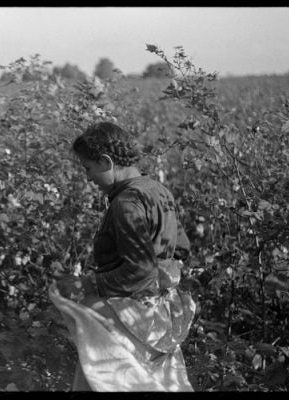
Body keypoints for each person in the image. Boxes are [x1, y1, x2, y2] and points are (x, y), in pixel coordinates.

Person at [54, 121, 195, 391]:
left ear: (106, 161)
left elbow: (139, 271)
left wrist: (87, 284)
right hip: (157, 312)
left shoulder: (126, 204)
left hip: (128, 316)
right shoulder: (157, 190)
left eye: (88, 168)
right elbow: (181, 247)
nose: (88, 177)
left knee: (103, 380)